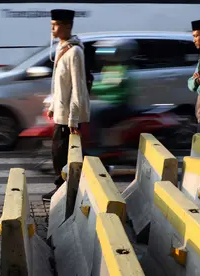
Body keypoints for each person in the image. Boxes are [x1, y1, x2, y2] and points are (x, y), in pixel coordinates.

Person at [42, 9, 90, 201]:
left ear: (68, 26)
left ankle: (64, 188)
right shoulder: (62, 48)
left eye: (56, 25)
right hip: (62, 112)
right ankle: (70, 187)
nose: (52, 28)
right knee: (63, 153)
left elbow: (78, 87)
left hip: (70, 116)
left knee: (62, 154)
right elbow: (59, 84)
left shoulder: (75, 52)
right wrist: (53, 106)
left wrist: (74, 119)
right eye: (51, 24)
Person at [89, 38, 138, 146]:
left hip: (119, 104)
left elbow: (109, 86)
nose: (103, 54)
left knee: (92, 111)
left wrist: (89, 87)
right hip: (109, 101)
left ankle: (98, 142)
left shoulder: (121, 69)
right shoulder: (109, 68)